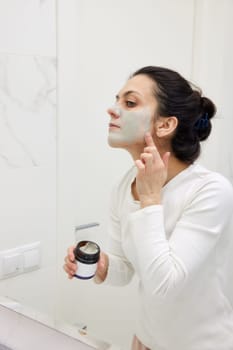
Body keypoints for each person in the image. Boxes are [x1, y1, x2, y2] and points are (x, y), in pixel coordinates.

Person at [63, 66, 233, 350]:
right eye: (117, 99)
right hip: (147, 341)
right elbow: (127, 269)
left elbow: (165, 284)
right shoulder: (124, 186)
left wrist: (151, 198)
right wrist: (103, 265)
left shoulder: (210, 190)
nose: (112, 109)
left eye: (129, 103)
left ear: (165, 125)